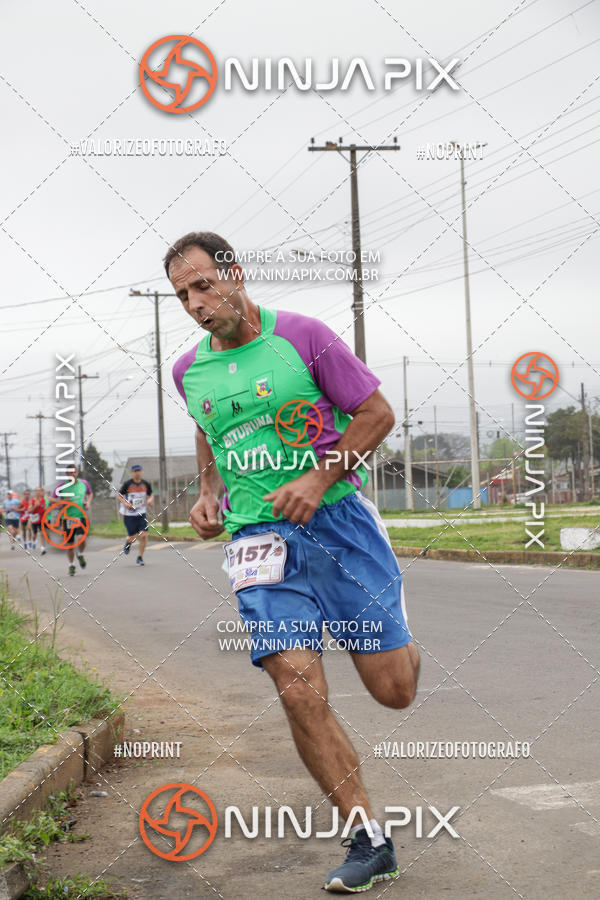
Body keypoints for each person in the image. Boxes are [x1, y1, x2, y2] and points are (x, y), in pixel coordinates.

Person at [168, 232, 420, 894]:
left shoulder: (305, 338)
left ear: (235, 275)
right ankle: (368, 839)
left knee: (395, 690)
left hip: (337, 523)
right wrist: (207, 491)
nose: (195, 304)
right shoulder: (187, 370)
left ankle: (397, 622)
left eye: (203, 286)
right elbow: (208, 424)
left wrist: (318, 476)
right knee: (297, 686)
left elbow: (376, 412)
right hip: (258, 544)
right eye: (183, 296)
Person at [52, 465, 92, 576]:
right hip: (67, 519)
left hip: (80, 516)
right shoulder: (62, 486)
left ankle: (80, 554)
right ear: (67, 475)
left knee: (81, 539)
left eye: (74, 472)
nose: (72, 474)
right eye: (70, 473)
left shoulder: (84, 483)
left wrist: (88, 502)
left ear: (77, 473)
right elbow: (51, 499)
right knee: (70, 545)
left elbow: (90, 493)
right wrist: (62, 501)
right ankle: (71, 565)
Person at [116, 465, 153, 566]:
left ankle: (140, 557)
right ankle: (128, 543)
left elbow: (151, 494)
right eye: (135, 471)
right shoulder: (128, 484)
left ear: (141, 472)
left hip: (141, 514)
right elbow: (118, 495)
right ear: (132, 473)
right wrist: (126, 503)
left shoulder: (145, 484)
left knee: (144, 535)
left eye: (139, 471)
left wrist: (150, 500)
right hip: (129, 515)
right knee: (133, 537)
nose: (137, 473)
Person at [29, 487, 47, 555]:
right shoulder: (32, 500)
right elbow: (29, 510)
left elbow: (44, 508)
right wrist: (35, 506)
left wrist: (45, 510)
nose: (38, 492)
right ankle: (33, 541)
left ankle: (43, 548)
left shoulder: (43, 499)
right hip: (34, 519)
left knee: (42, 533)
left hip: (42, 519)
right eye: (36, 491)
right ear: (34, 492)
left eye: (39, 491)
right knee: (35, 534)